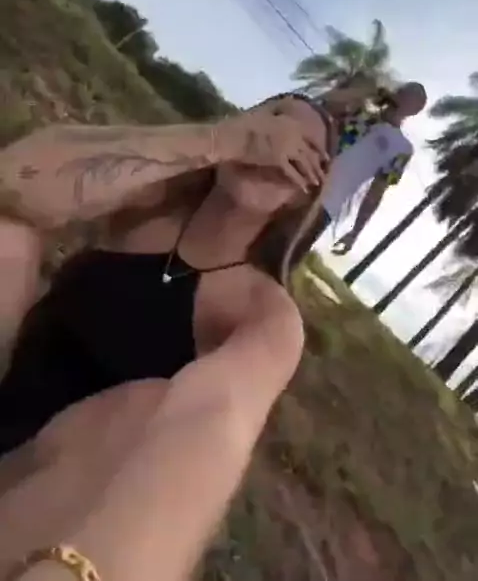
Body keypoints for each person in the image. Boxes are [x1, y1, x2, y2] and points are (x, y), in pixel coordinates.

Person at [0, 91, 342, 581]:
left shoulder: (261, 313)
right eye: (274, 119)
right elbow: (15, 179)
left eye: (307, 150)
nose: (283, 142)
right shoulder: (149, 209)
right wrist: (219, 140)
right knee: (9, 234)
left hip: (45, 490)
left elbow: (218, 421)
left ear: (305, 195)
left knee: (144, 407)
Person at [316, 81, 427, 254]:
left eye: (411, 100)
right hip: (301, 179)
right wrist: (367, 90)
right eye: (402, 92)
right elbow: (325, 101)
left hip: (326, 206)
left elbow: (376, 192)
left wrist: (355, 232)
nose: (402, 98)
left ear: (415, 111)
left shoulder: (403, 149)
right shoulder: (358, 113)